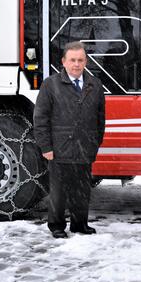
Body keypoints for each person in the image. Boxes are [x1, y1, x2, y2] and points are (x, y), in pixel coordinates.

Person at [34, 41, 106, 239]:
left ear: (86, 62)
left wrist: (94, 142)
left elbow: (101, 119)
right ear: (63, 62)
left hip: (85, 147)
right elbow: (40, 118)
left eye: (80, 60)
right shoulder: (51, 84)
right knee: (59, 191)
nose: (76, 64)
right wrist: (46, 146)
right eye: (72, 60)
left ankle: (80, 224)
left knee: (82, 190)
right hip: (59, 148)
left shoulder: (95, 84)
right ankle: (57, 226)